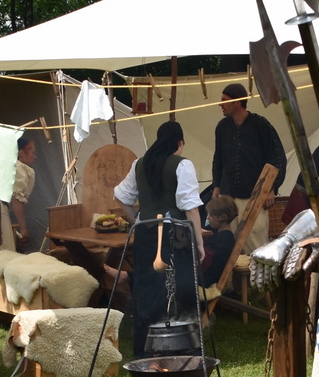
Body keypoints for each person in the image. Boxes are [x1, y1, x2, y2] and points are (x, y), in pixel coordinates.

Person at [114, 121, 204, 358]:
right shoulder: (182, 165)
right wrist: (199, 242)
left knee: (147, 290)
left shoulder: (139, 164)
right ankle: (182, 349)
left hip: (146, 235)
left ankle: (146, 350)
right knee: (178, 290)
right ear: (179, 142)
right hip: (176, 236)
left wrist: (137, 220)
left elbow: (121, 196)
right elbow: (190, 207)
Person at [211, 83, 286, 254]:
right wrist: (216, 185)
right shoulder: (222, 128)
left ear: (237, 102)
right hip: (230, 197)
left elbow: (276, 158)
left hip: (256, 196)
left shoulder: (260, 125)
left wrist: (270, 189)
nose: (220, 104)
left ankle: (259, 281)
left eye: (224, 100)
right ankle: (237, 281)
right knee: (232, 243)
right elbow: (218, 159)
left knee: (256, 241)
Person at [8, 135, 39, 251]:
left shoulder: (9, 166)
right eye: (33, 153)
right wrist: (23, 228)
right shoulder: (18, 168)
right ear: (21, 152)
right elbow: (17, 198)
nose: (35, 157)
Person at [201, 195, 239, 287]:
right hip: (207, 276)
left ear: (223, 217)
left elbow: (205, 263)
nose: (208, 218)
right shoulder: (219, 232)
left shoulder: (223, 240)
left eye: (211, 215)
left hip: (207, 280)